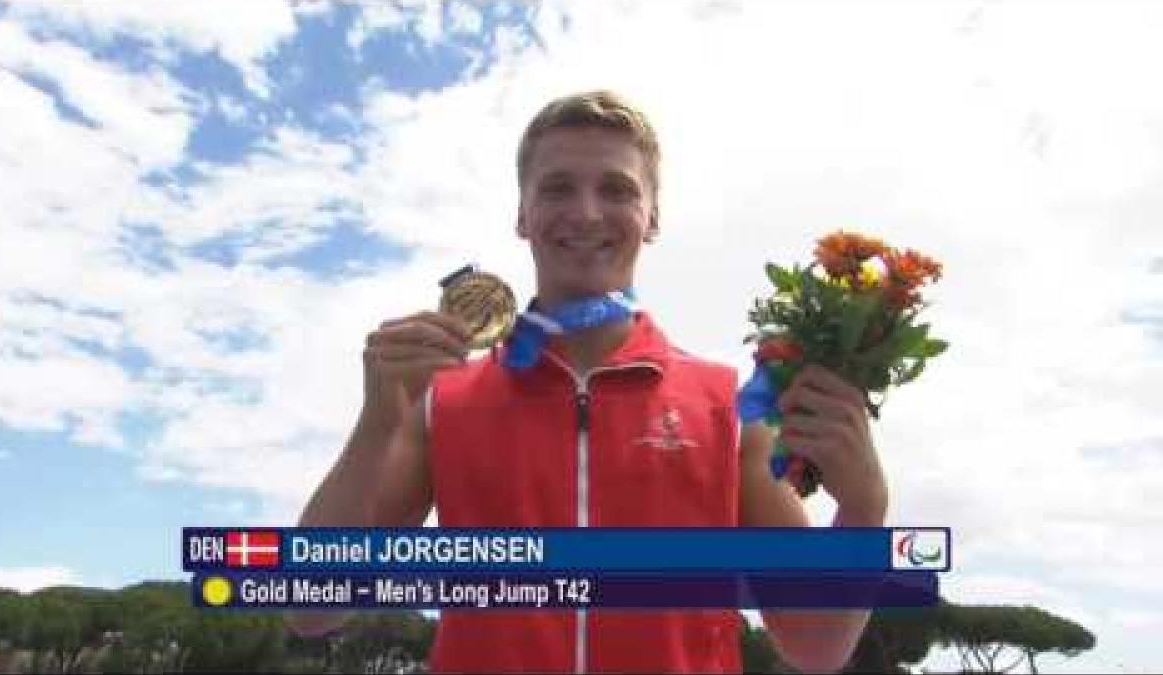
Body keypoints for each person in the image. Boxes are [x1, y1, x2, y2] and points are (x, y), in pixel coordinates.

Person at [288, 90, 889, 673]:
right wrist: (376, 423)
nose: (586, 212)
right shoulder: (441, 403)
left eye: (617, 189)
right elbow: (310, 609)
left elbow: (815, 645)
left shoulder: (730, 409)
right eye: (557, 188)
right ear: (522, 214)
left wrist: (864, 507)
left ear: (651, 217)